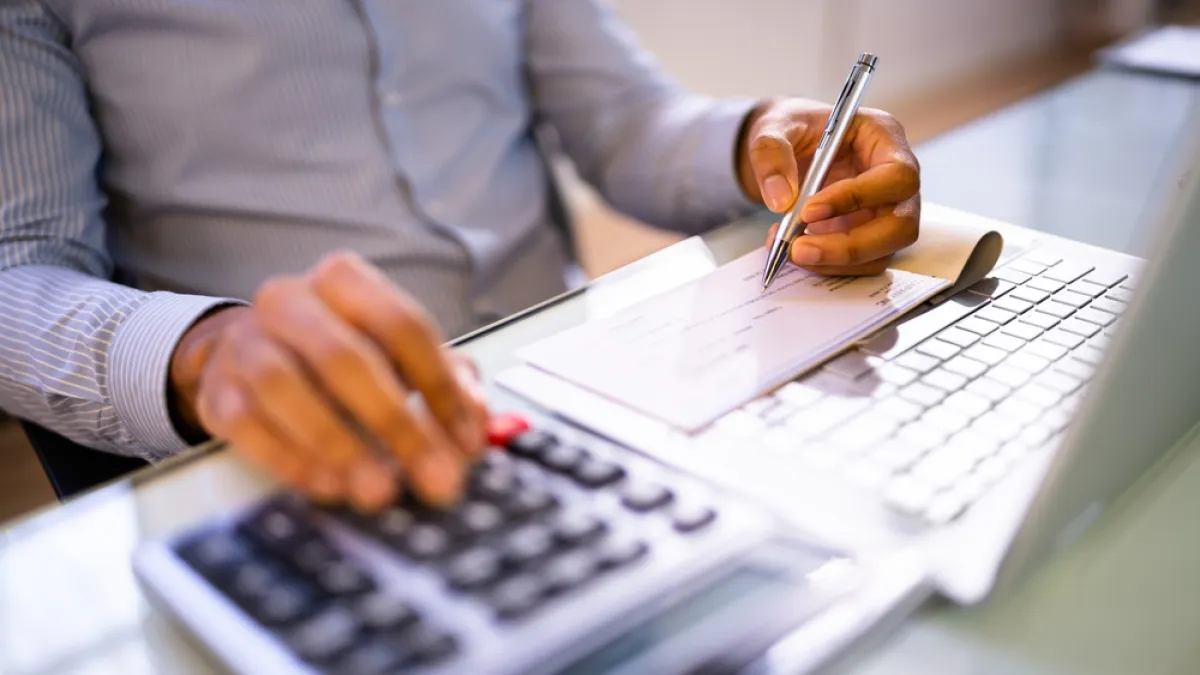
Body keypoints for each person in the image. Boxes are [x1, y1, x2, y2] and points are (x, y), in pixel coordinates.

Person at [0, 1, 920, 511]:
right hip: (313, 456)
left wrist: (765, 140)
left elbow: (621, 117)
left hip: (583, 397)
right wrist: (202, 349)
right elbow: (18, 266)